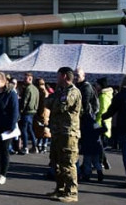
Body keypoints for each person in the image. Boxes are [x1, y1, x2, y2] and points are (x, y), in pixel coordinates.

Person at [45, 66, 81, 203]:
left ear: (65, 76)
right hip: (57, 132)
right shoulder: (60, 91)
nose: (56, 78)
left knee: (68, 163)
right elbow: (47, 103)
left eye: (58, 75)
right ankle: (60, 189)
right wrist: (54, 100)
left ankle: (71, 191)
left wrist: (54, 100)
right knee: (56, 162)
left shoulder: (73, 92)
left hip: (68, 133)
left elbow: (60, 106)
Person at [76, 68, 103, 183]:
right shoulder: (82, 87)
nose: (76, 77)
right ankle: (97, 171)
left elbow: (85, 105)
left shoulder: (85, 87)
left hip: (86, 123)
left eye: (78, 75)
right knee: (94, 156)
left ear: (83, 75)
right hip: (91, 126)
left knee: (87, 153)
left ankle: (86, 173)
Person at [19, 72, 40, 155]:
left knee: (24, 129)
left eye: (25, 78)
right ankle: (35, 146)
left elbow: (25, 101)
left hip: (27, 111)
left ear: (30, 79)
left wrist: (21, 110)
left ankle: (25, 147)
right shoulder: (36, 89)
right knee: (30, 129)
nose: (24, 80)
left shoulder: (28, 88)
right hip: (33, 111)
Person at [95, 78, 113, 170]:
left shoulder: (103, 96)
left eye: (97, 84)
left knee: (99, 145)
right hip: (106, 123)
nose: (96, 86)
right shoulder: (107, 95)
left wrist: (96, 123)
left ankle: (101, 162)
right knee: (100, 145)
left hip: (102, 124)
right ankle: (103, 161)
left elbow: (102, 111)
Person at [34, 78, 52, 154]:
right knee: (44, 130)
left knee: (43, 130)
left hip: (43, 113)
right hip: (46, 113)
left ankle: (42, 145)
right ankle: (42, 145)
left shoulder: (42, 92)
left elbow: (41, 104)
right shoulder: (45, 91)